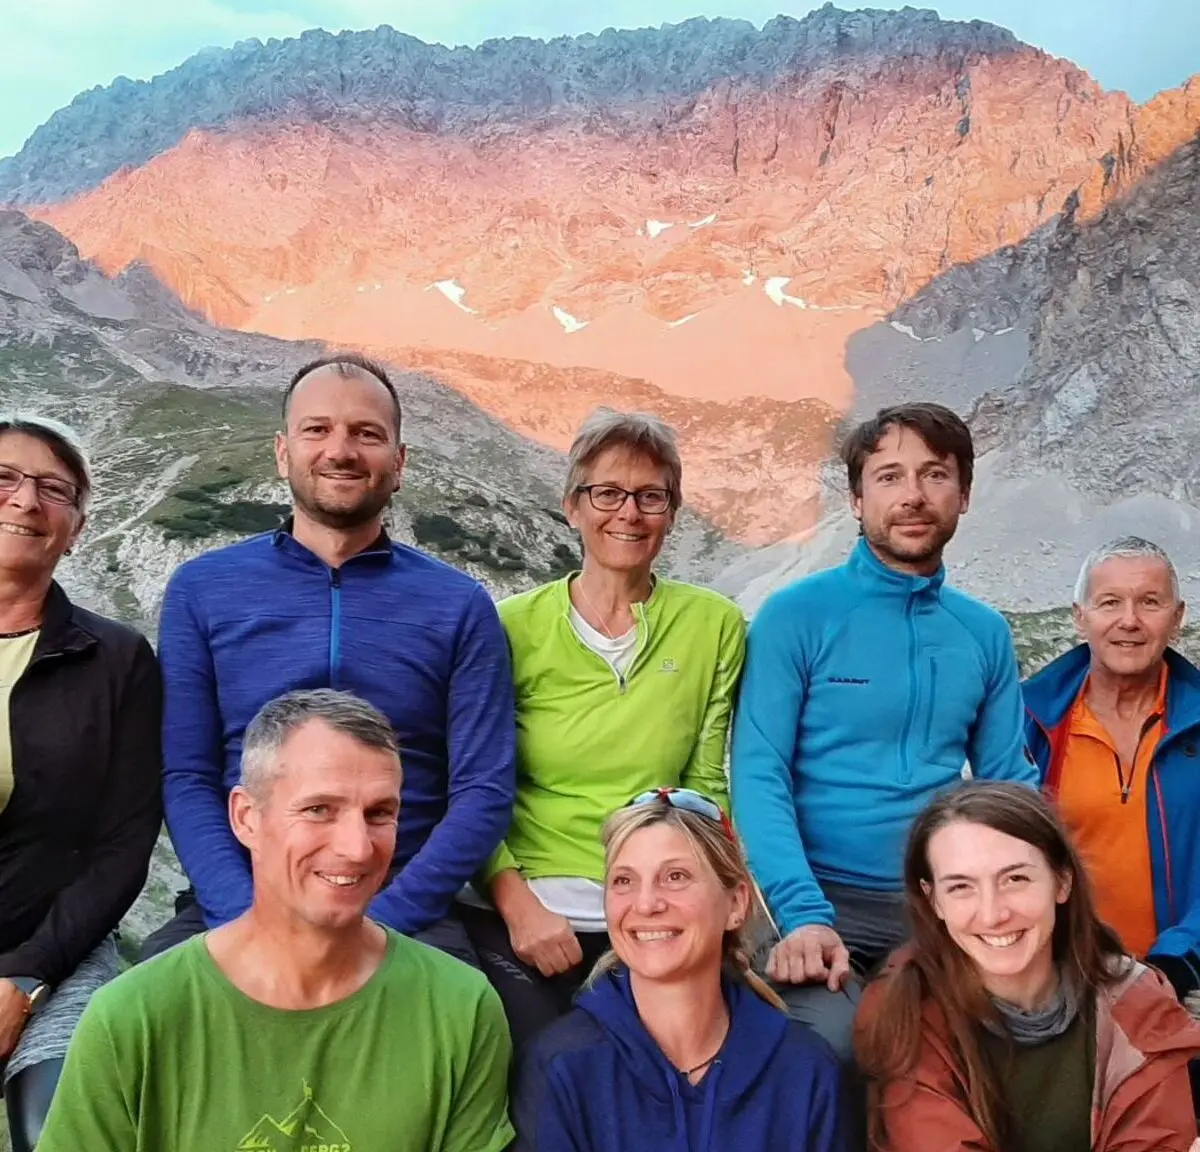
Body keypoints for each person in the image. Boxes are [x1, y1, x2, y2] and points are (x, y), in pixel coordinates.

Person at [22, 690, 513, 1152]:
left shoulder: (461, 1008)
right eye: (320, 808)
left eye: (381, 813)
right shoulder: (133, 1019)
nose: (357, 844)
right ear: (246, 816)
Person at [144, 352, 515, 962]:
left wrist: (383, 923)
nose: (340, 450)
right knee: (121, 1037)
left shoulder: (459, 605)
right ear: (283, 450)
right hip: (242, 900)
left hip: (405, 911)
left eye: (366, 434)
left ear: (398, 464)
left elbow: (483, 788)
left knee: (481, 1044)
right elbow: (186, 774)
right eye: (317, 429)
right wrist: (248, 918)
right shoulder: (202, 590)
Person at [497, 788, 875, 1152]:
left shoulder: (804, 1070)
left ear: (737, 902)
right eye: (624, 881)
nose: (646, 903)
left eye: (676, 877)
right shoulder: (561, 1069)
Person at [731, 402, 1037, 1061]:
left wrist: (1043, 894)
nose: (914, 496)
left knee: (987, 1043)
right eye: (890, 476)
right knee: (831, 1048)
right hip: (809, 892)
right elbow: (758, 773)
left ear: (964, 494)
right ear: (857, 496)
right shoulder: (794, 616)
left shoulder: (982, 632)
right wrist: (801, 913)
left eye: (934, 475)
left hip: (934, 902)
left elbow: (1009, 780)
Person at [459, 411, 745, 1048]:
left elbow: (703, 784)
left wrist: (710, 904)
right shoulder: (509, 627)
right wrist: (519, 907)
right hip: (531, 910)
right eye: (607, 493)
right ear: (572, 506)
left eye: (651, 496)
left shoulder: (715, 625)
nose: (629, 513)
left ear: (672, 512)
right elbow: (475, 783)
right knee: (546, 1068)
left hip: (654, 908)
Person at [854, 780, 1200, 1152]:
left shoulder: (1137, 1004)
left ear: (1062, 882)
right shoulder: (903, 1011)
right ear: (933, 901)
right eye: (961, 887)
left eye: (1015, 879)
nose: (993, 913)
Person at [0, 416, 160, 1152]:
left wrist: (22, 979)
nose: (27, 500)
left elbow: (122, 844)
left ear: (77, 527)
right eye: (8, 478)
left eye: (53, 490)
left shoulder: (114, 660)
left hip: (57, 951)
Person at [1024, 536, 1200, 992]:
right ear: (1080, 618)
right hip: (1057, 976)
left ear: (1177, 618)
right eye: (1109, 602)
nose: (1130, 621)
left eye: (1150, 602)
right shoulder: (1030, 722)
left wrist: (1175, 965)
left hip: (1182, 977)